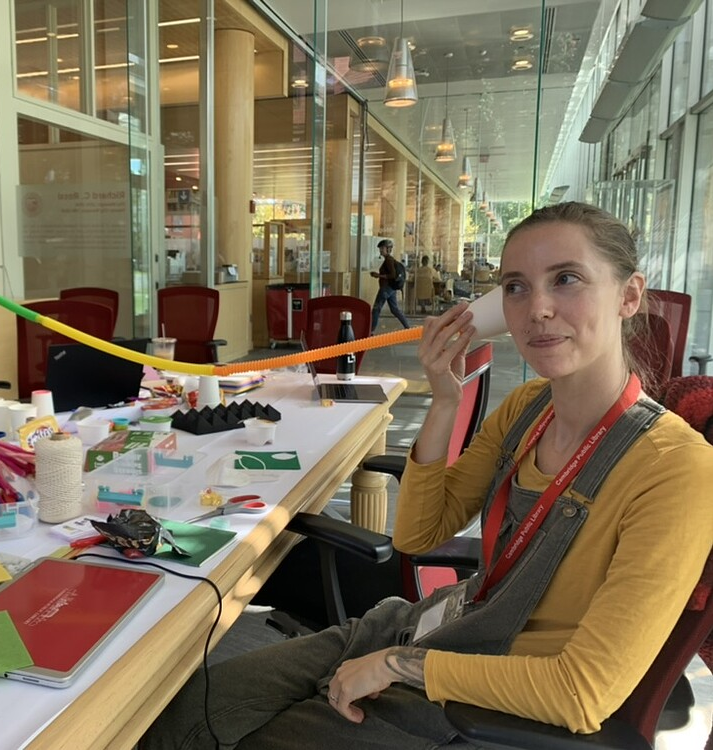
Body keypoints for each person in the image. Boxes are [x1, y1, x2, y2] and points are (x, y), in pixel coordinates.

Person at [140, 202, 713, 748]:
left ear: (629, 295)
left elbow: (581, 694)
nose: (537, 309)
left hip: (489, 697)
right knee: (190, 711)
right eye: (515, 287)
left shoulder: (675, 469)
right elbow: (418, 536)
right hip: (436, 628)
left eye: (567, 279)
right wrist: (444, 402)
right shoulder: (529, 409)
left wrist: (397, 667)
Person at [370, 239, 409, 332]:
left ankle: (370, 331)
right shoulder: (389, 260)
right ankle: (407, 327)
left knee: (376, 309)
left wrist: (378, 275)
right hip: (391, 289)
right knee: (394, 310)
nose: (380, 250)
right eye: (380, 248)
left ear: (388, 249)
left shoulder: (389, 260)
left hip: (386, 289)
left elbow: (393, 275)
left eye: (382, 248)